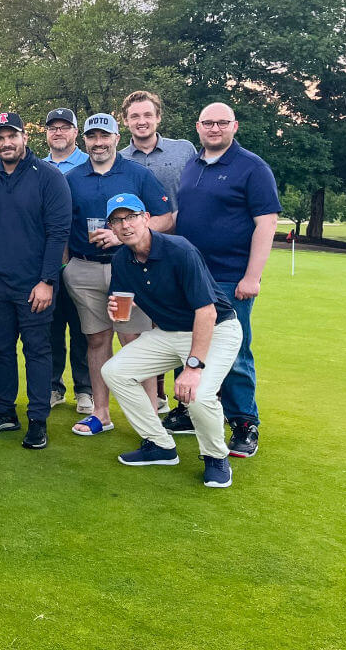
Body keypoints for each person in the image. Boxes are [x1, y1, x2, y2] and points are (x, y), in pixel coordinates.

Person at [100, 194, 243, 488]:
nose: (125, 225)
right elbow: (125, 307)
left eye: (131, 217)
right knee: (114, 371)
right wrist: (116, 310)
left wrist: (192, 367)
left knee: (199, 394)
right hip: (169, 332)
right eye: (117, 220)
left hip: (217, 329)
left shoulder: (180, 250)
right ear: (111, 228)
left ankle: (216, 457)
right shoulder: (121, 259)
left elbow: (206, 311)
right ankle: (160, 444)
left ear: (146, 218)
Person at [170, 102, 280, 458]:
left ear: (235, 126)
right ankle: (190, 410)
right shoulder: (193, 165)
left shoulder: (252, 168)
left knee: (235, 352)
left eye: (221, 123)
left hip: (231, 277)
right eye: (207, 123)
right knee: (188, 345)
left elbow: (267, 224)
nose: (214, 128)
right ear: (198, 127)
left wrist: (252, 276)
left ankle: (245, 423)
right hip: (190, 275)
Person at [63, 113, 173, 436]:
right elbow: (61, 224)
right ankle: (101, 413)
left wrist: (125, 235)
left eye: (104, 136)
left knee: (136, 342)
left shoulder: (137, 174)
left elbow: (165, 218)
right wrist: (68, 265)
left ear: (115, 138)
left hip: (129, 268)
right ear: (84, 140)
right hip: (84, 270)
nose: (98, 143)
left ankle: (150, 416)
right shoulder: (72, 178)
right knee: (96, 340)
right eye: (92, 137)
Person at [0, 112, 71, 450]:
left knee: (37, 351)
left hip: (34, 283)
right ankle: (3, 411)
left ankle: (38, 419)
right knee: (0, 349)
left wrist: (47, 280)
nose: (6, 143)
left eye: (11, 136)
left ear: (24, 137)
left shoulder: (48, 176)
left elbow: (58, 233)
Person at [119, 89, 198, 412]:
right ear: (126, 121)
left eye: (147, 115)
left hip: (180, 252)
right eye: (135, 116)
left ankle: (188, 405)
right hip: (139, 255)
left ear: (158, 117)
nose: (141, 121)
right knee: (148, 326)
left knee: (185, 326)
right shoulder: (120, 158)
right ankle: (159, 396)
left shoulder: (184, 151)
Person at [42, 108, 92, 415]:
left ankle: (84, 389)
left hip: (79, 258)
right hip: (47, 259)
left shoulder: (89, 165)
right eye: (53, 128)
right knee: (50, 326)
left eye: (64, 127)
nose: (58, 132)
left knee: (83, 327)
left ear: (75, 132)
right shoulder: (36, 166)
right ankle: (52, 386)